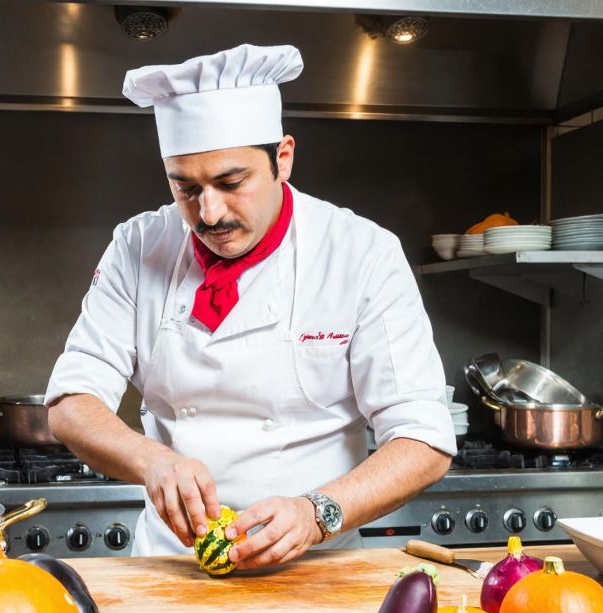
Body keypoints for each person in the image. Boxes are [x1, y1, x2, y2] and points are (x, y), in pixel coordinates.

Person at [45, 44, 455, 569]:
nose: (208, 212)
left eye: (231, 182)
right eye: (185, 187)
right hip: (172, 565)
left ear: (283, 158)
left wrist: (317, 512)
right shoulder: (138, 245)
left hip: (318, 566)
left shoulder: (361, 252)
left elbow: (423, 439)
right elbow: (70, 403)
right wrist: (153, 460)